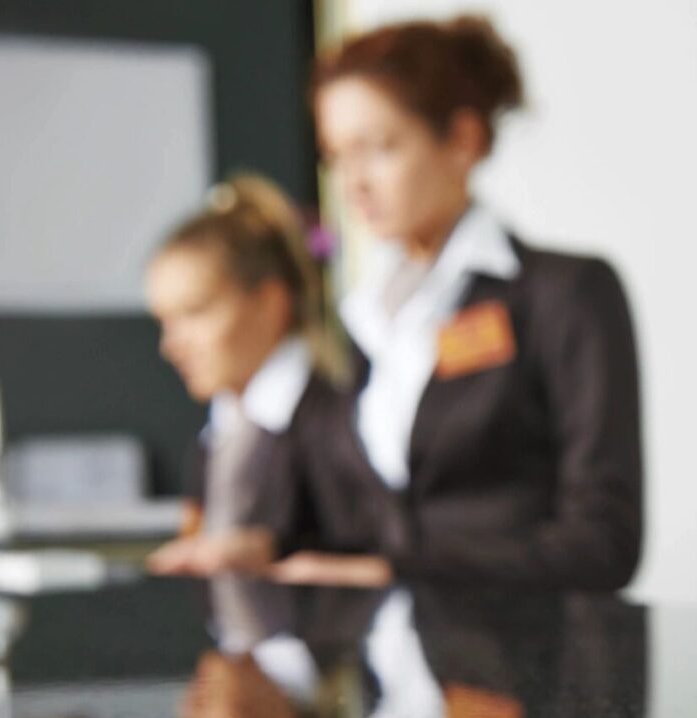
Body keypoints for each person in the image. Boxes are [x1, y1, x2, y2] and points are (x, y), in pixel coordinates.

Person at [267, 14, 643, 591]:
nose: (352, 183)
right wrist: (259, 545)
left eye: (379, 148)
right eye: (337, 156)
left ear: (462, 141)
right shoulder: (361, 321)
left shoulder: (565, 295)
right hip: (388, 670)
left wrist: (395, 571)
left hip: (529, 668)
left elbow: (602, 544)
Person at [144, 173, 350, 577]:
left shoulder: (337, 427)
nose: (171, 345)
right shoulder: (216, 438)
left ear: (269, 304)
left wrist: (274, 557)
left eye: (195, 312)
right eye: (165, 322)